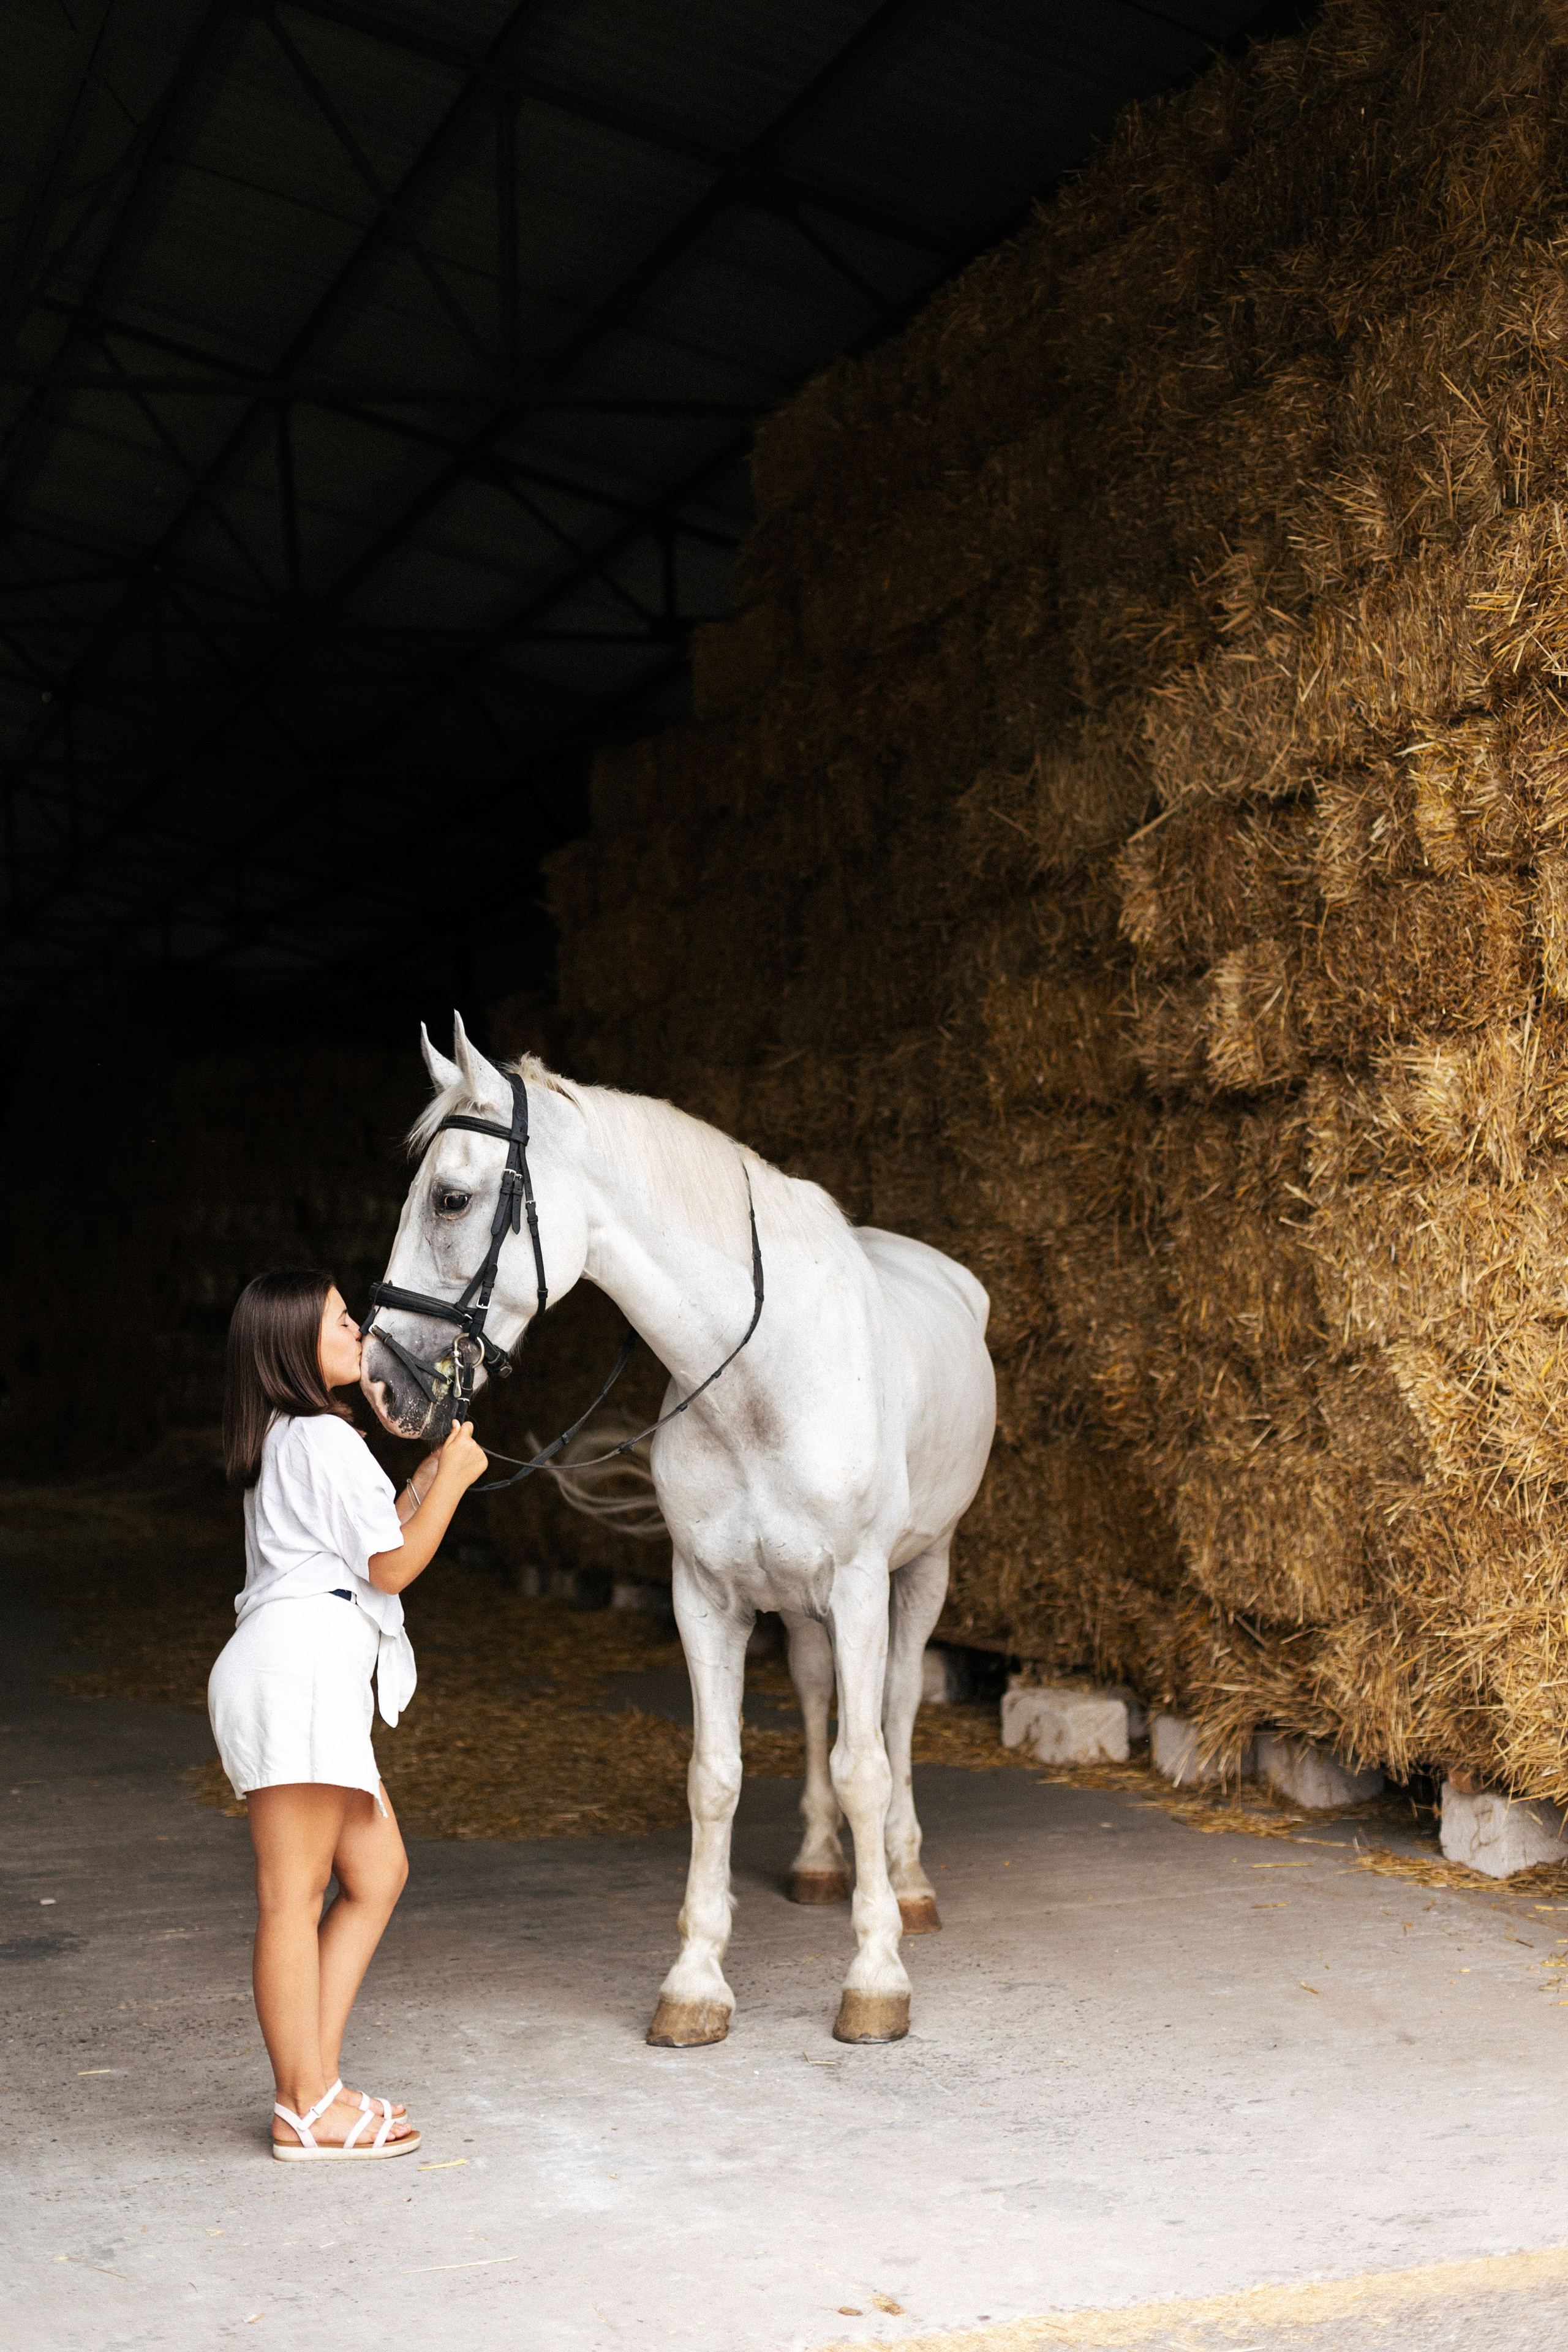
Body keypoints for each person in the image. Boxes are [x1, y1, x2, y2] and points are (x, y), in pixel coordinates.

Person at [208, 1267, 488, 2161]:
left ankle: (315, 2082)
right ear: (294, 1344)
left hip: (305, 1672)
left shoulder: (298, 1439)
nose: (357, 1327)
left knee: (378, 1873)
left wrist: (427, 1481)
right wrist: (459, 1479)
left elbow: (369, 1541)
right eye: (338, 1319)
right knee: (292, 1897)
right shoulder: (321, 1440)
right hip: (298, 1674)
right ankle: (303, 2105)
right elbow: (392, 1568)